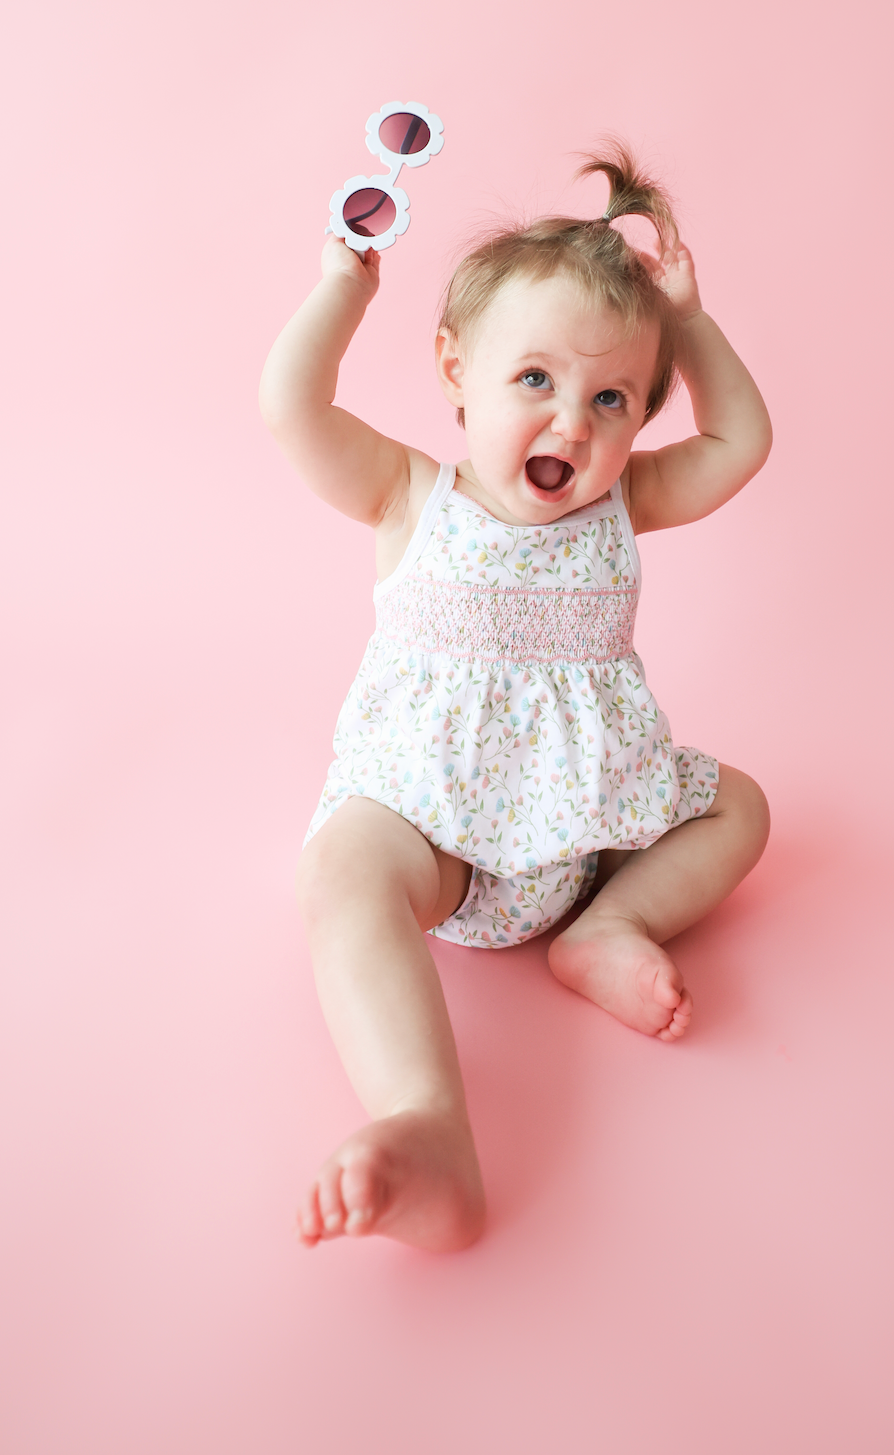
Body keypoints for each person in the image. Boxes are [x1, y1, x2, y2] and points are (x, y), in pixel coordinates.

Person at [259, 142, 772, 1251]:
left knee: (744, 806)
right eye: (532, 379)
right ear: (454, 370)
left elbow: (739, 441)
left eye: (610, 397)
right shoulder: (410, 495)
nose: (569, 423)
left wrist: (691, 323)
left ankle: (611, 929)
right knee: (339, 868)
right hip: (434, 838)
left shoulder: (625, 500)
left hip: (585, 841)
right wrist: (340, 289)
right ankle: (428, 1126)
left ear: (639, 416)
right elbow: (290, 407)